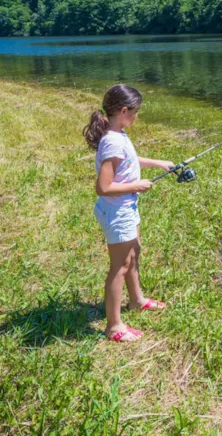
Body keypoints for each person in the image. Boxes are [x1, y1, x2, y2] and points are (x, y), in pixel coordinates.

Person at [83, 83, 174, 342]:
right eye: (135, 111)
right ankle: (114, 327)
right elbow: (103, 187)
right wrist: (137, 185)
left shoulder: (117, 133)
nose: (137, 116)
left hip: (125, 208)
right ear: (123, 111)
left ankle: (137, 300)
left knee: (134, 253)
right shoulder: (112, 141)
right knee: (119, 267)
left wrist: (156, 162)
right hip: (117, 212)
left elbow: (130, 160)